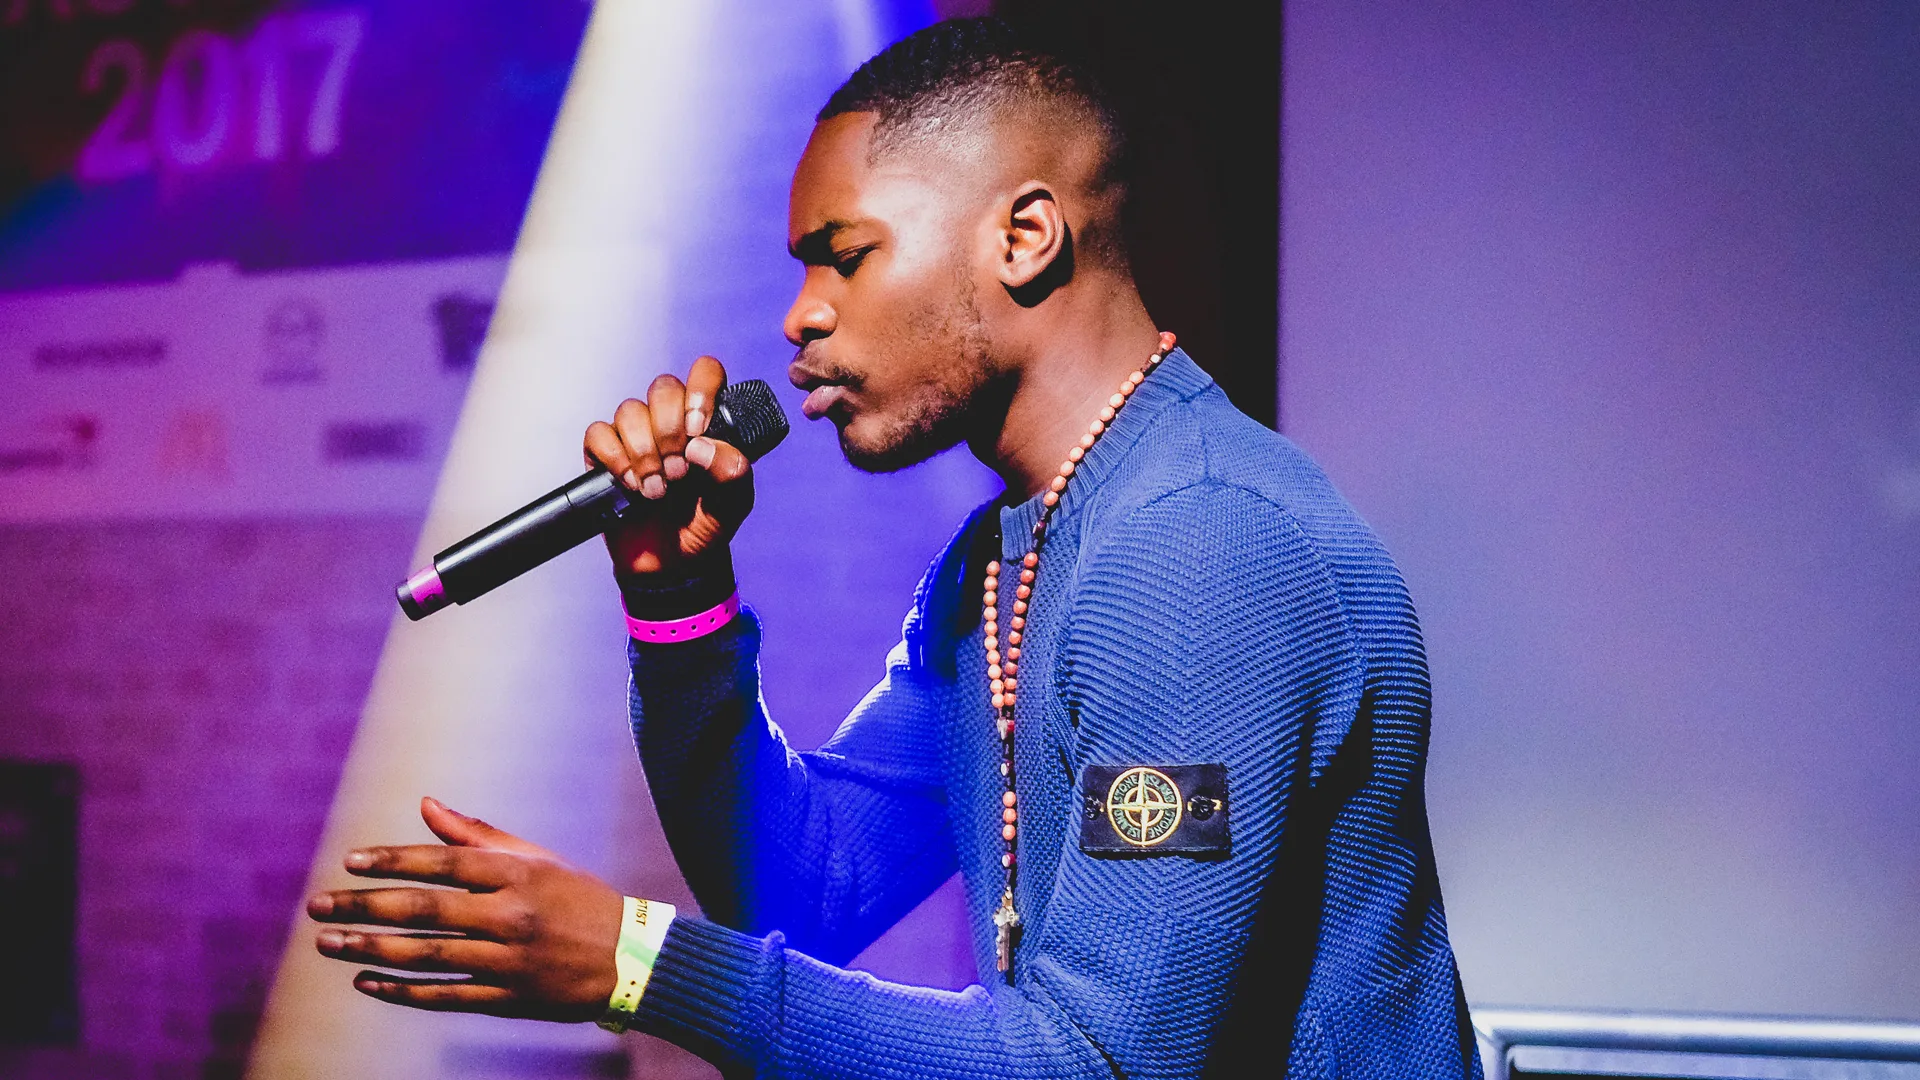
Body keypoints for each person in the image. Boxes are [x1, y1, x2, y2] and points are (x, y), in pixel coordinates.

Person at [306, 18, 1481, 1078]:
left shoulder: (1203, 547)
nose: (800, 313)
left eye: (845, 253)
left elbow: (1103, 1067)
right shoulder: (998, 563)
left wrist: (637, 962)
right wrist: (683, 610)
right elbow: (805, 894)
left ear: (1024, 237)